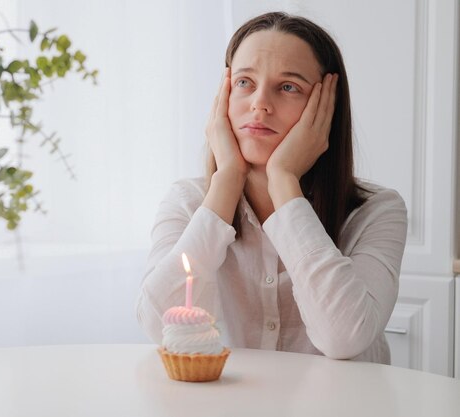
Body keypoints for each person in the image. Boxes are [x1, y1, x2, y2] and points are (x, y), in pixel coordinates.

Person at [135, 12, 408, 364]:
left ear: (326, 107)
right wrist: (227, 179)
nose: (259, 104)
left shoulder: (379, 211)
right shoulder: (186, 202)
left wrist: (283, 181)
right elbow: (159, 327)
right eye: (245, 83)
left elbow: (345, 338)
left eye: (288, 87)